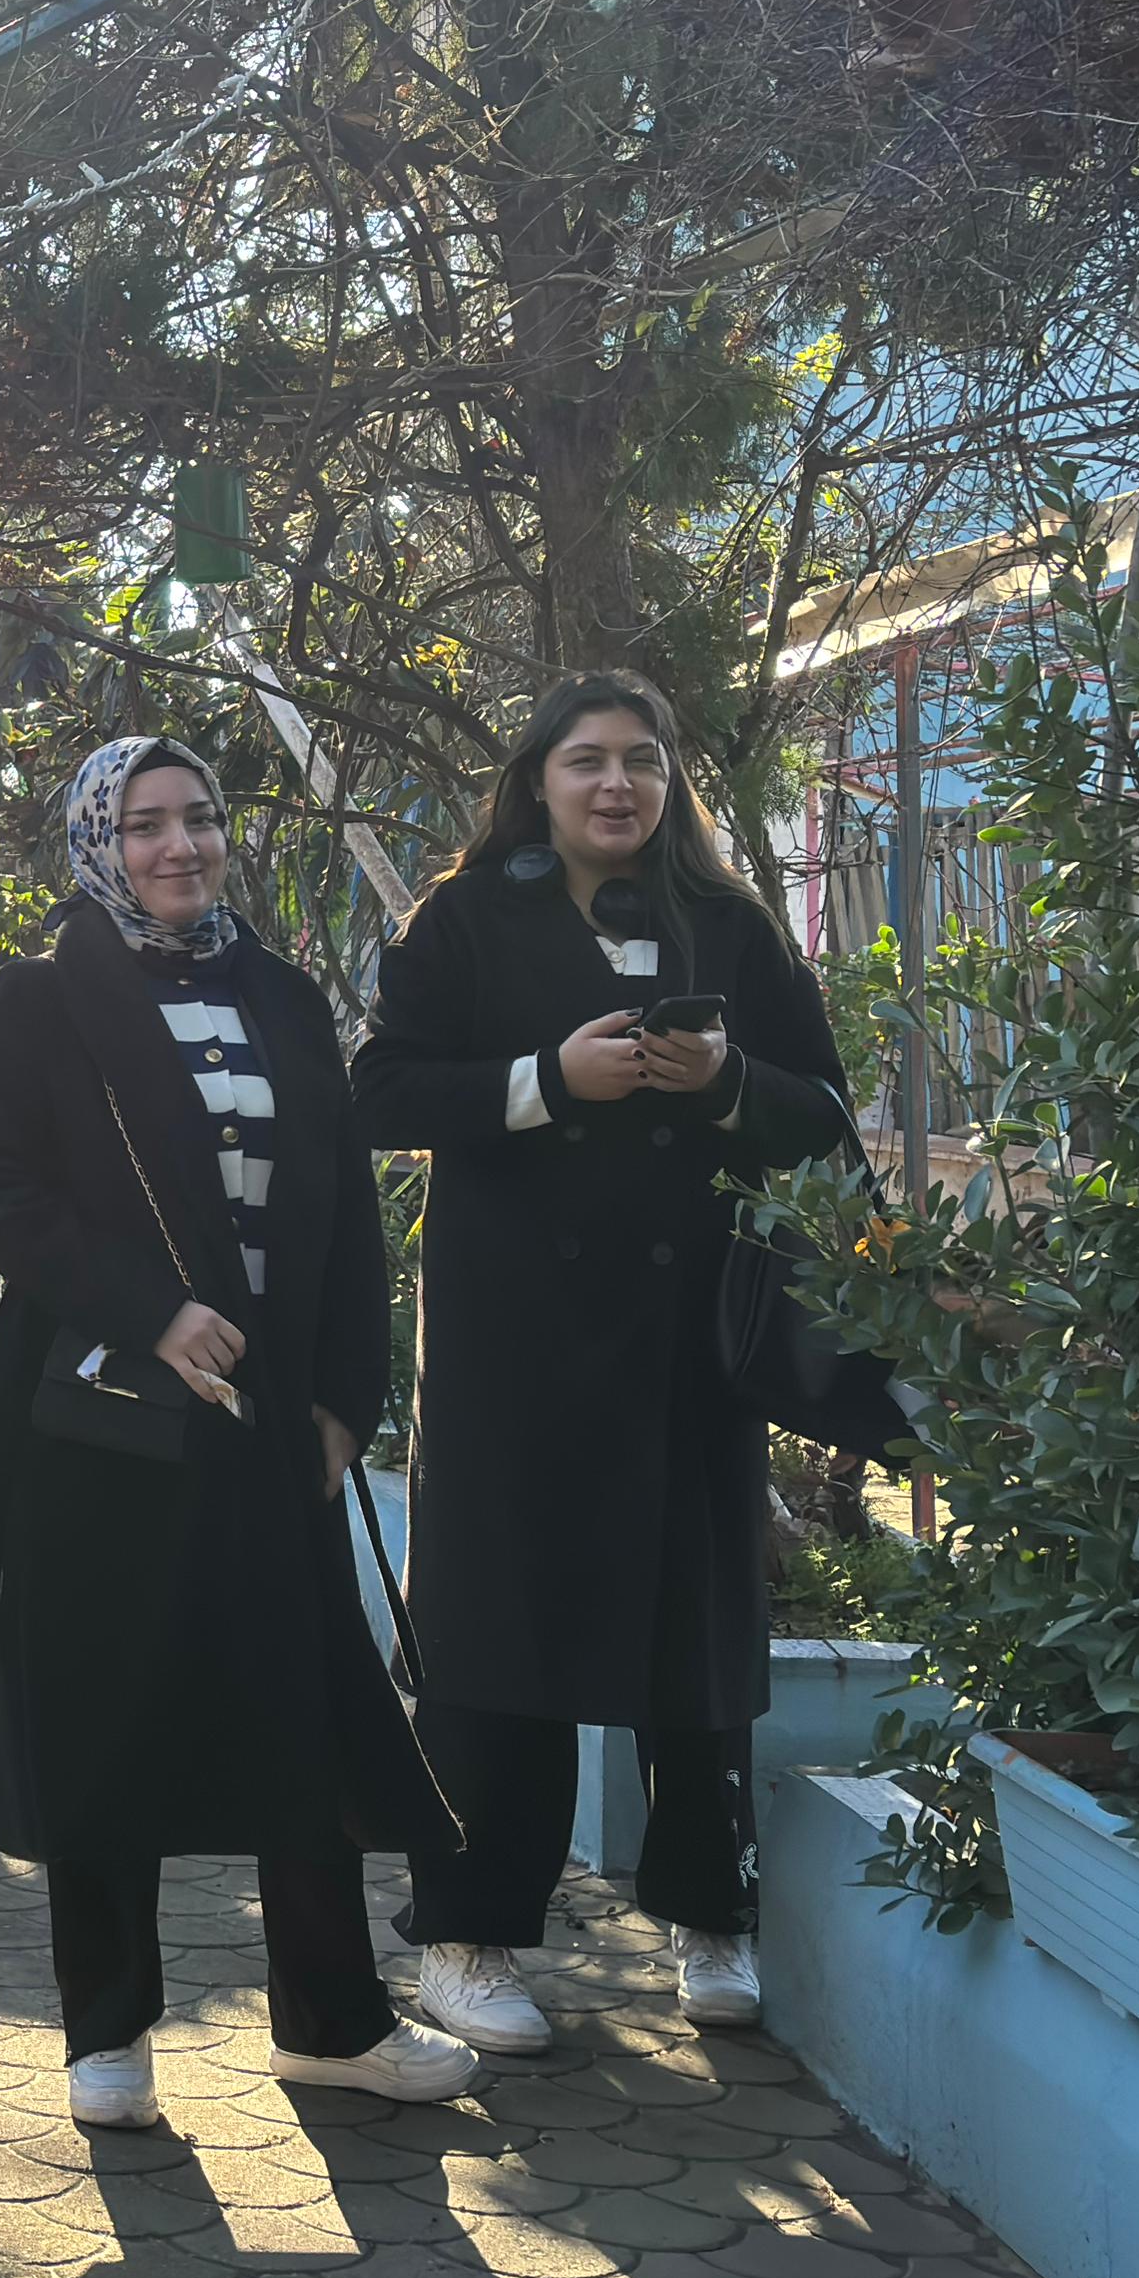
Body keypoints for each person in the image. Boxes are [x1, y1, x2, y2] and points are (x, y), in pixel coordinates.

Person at [0, 736, 481, 2120]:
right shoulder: (41, 998)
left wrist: (343, 1401)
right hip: (107, 1422)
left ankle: (331, 2020)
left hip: (267, 1421)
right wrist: (151, 1310)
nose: (178, 847)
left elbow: (347, 1214)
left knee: (296, 1710)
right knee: (106, 1715)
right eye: (143, 826)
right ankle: (106, 2034)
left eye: (198, 819)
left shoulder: (283, 995)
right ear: (95, 842)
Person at [349, 671, 857, 2052]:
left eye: (643, 759)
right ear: (537, 780)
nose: (617, 785)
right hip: (515, 1338)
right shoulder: (463, 919)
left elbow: (825, 1120)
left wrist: (731, 1086)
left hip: (688, 1334)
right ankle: (468, 1937)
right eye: (587, 762)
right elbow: (380, 1092)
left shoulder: (732, 928)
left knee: (692, 1624)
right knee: (494, 1630)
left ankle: (710, 1912)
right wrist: (543, 1082)